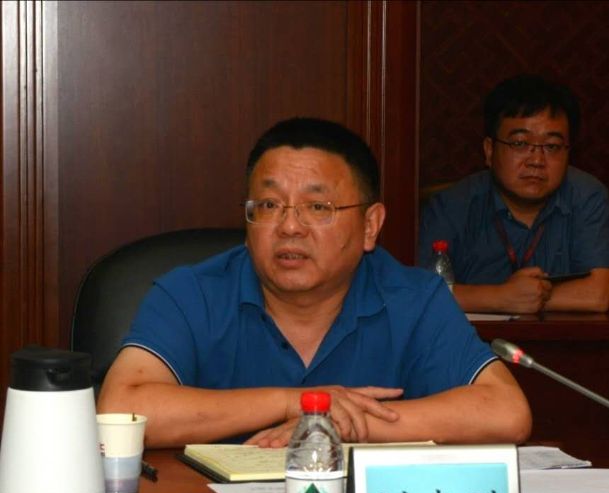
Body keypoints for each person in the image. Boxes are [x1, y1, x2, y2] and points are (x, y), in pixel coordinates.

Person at [98, 117, 531, 448]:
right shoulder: (190, 293)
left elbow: (506, 411)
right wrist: (295, 402)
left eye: (318, 207)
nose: (289, 226)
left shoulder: (414, 300)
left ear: (370, 226)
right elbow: (119, 411)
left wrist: (343, 423)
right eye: (269, 205)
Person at [419, 74, 609, 314]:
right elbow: (419, 295)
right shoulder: (452, 205)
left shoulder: (587, 197)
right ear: (489, 150)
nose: (536, 160)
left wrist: (524, 298)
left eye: (552, 146)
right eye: (520, 143)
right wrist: (500, 298)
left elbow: (599, 294)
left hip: (561, 338)